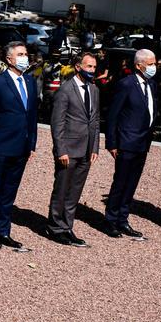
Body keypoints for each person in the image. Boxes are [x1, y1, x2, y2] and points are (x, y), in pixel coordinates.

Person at [0, 41, 38, 250]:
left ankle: (4, 231)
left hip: (21, 148)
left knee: (9, 193)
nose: (25, 57)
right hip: (1, 148)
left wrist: (32, 143)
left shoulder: (30, 82)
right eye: (20, 54)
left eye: (26, 53)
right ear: (9, 59)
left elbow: (32, 115)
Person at [45, 52, 100, 247]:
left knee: (75, 192)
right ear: (78, 67)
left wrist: (95, 147)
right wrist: (61, 150)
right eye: (89, 66)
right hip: (68, 149)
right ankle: (55, 227)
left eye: (94, 67)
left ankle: (67, 227)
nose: (92, 70)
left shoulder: (94, 89)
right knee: (61, 190)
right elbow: (57, 123)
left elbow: (95, 120)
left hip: (86, 150)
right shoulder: (65, 90)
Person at [104, 49, 157, 239]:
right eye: (150, 64)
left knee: (132, 184)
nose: (154, 67)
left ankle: (123, 219)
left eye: (154, 63)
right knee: (120, 183)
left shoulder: (151, 84)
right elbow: (113, 115)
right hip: (126, 141)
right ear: (138, 65)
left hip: (142, 142)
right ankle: (111, 220)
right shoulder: (126, 84)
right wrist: (112, 142)